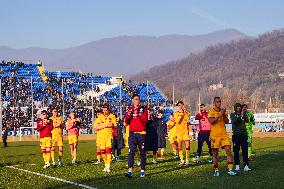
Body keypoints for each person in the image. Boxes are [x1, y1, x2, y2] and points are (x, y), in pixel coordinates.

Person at [208, 97, 236, 176]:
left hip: (224, 135)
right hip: (215, 136)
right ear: (214, 103)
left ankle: (230, 169)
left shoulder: (223, 111)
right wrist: (219, 115)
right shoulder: (211, 111)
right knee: (215, 154)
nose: (219, 103)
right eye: (217, 102)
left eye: (220, 101)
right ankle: (216, 170)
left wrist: (223, 115)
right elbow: (211, 122)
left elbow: (227, 122)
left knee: (229, 151)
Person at [124, 94, 148, 178]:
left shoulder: (144, 109)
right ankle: (130, 171)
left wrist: (138, 113)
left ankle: (142, 170)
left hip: (141, 133)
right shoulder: (130, 109)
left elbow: (145, 121)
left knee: (142, 152)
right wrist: (129, 114)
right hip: (132, 134)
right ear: (132, 100)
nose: (137, 101)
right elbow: (126, 122)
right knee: (131, 152)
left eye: (138, 99)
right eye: (135, 99)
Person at [94, 103, 117, 172]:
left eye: (106, 110)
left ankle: (108, 166)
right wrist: (105, 125)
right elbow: (96, 128)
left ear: (108, 110)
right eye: (104, 110)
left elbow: (115, 126)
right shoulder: (100, 117)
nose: (105, 111)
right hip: (101, 137)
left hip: (109, 136)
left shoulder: (112, 116)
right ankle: (106, 164)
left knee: (108, 150)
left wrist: (112, 125)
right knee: (103, 152)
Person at [230, 103, 251, 171]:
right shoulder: (232, 114)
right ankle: (237, 165)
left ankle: (246, 166)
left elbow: (247, 121)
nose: (239, 108)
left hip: (244, 135)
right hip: (236, 136)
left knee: (245, 151)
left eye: (240, 107)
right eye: (237, 107)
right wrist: (240, 116)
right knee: (236, 151)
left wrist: (244, 114)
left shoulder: (244, 114)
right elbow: (234, 122)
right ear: (235, 108)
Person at [174, 101, 191, 166]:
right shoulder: (176, 113)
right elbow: (177, 121)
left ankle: (187, 160)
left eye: (181, 105)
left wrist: (184, 112)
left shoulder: (187, 113)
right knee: (180, 147)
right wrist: (181, 114)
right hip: (179, 133)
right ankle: (182, 160)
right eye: (178, 105)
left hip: (185, 132)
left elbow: (187, 119)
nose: (180, 107)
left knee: (187, 146)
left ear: (183, 105)